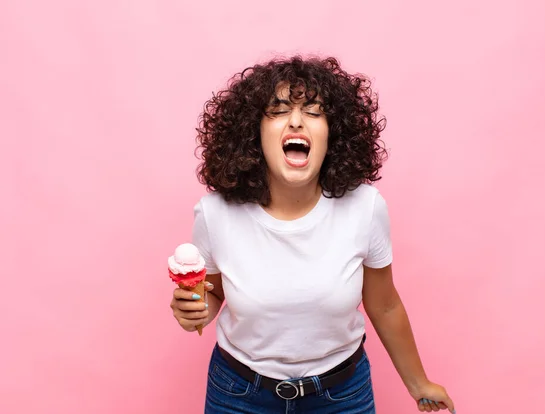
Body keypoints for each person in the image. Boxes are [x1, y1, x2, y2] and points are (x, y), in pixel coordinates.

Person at [170, 55, 456, 414]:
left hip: (341, 394)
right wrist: (193, 309)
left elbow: (384, 304)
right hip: (238, 394)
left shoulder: (365, 208)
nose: (295, 121)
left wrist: (419, 383)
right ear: (253, 133)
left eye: (314, 112)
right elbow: (213, 293)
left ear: (333, 133)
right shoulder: (215, 213)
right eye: (277, 111)